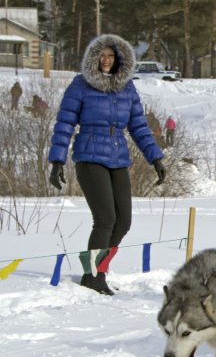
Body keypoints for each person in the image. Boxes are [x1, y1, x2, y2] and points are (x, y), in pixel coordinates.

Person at [47, 33, 165, 295]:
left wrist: (155, 157)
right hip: (89, 157)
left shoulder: (127, 88)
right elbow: (65, 123)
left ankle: (96, 271)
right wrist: (56, 160)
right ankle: (94, 277)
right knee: (105, 219)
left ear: (119, 59)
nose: (106, 60)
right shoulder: (80, 86)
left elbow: (138, 126)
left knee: (123, 222)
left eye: (111, 56)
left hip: (118, 157)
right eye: (101, 55)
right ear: (94, 59)